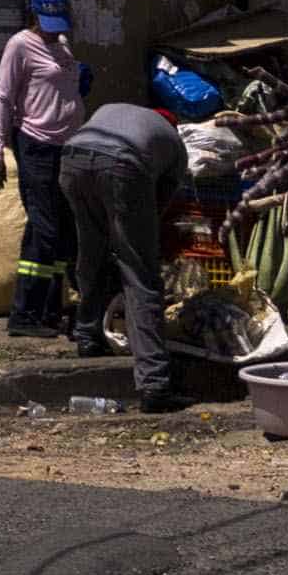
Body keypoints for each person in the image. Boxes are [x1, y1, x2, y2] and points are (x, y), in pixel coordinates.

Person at [52, 91, 191, 412]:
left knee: (90, 252)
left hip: (72, 157)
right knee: (140, 274)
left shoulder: (113, 106)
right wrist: (135, 240)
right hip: (124, 163)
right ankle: (155, 384)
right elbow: (158, 211)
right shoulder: (174, 145)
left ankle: (87, 336)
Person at [0, 0, 86, 339]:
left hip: (66, 148)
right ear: (33, 16)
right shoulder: (20, 45)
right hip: (36, 147)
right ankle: (24, 315)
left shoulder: (62, 46)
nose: (54, 28)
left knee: (62, 232)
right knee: (43, 230)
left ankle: (50, 312)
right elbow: (3, 97)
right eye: (47, 22)